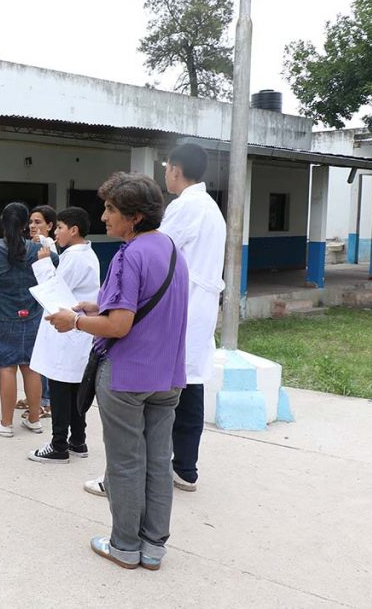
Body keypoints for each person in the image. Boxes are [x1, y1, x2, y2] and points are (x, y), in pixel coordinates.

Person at [47, 172, 188, 570]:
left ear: (135, 216)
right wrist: (97, 306)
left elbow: (120, 326)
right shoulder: (171, 250)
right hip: (167, 376)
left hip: (127, 376)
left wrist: (74, 321)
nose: (104, 216)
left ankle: (124, 545)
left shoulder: (130, 254)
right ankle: (153, 548)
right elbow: (142, 306)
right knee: (158, 462)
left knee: (126, 463)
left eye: (111, 209)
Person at [161, 143, 226, 492]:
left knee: (170, 388)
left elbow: (160, 253)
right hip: (200, 306)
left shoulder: (185, 206)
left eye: (166, 167)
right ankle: (185, 467)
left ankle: (165, 465)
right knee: (191, 384)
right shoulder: (211, 207)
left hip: (184, 305)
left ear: (176, 169)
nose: (165, 173)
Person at [27, 208, 101, 463]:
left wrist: (44, 261)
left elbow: (55, 289)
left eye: (59, 227)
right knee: (75, 388)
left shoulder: (75, 257)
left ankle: (59, 444)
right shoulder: (83, 253)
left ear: (74, 230)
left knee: (60, 389)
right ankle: (77, 440)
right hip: (76, 333)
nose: (55, 232)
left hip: (67, 332)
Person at [0, 202, 53, 438]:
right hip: (32, 315)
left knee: (7, 368)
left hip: (2, 316)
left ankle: (6, 423)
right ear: (25, 224)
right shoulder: (35, 248)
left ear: (2, 222)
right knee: (31, 367)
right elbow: (53, 266)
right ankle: (34, 419)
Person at [24, 204, 58, 417]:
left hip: (45, 308)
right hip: (33, 305)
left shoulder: (49, 246)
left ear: (50, 225)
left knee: (43, 354)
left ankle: (45, 400)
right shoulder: (31, 245)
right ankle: (34, 397)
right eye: (30, 222)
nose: (32, 226)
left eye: (38, 222)